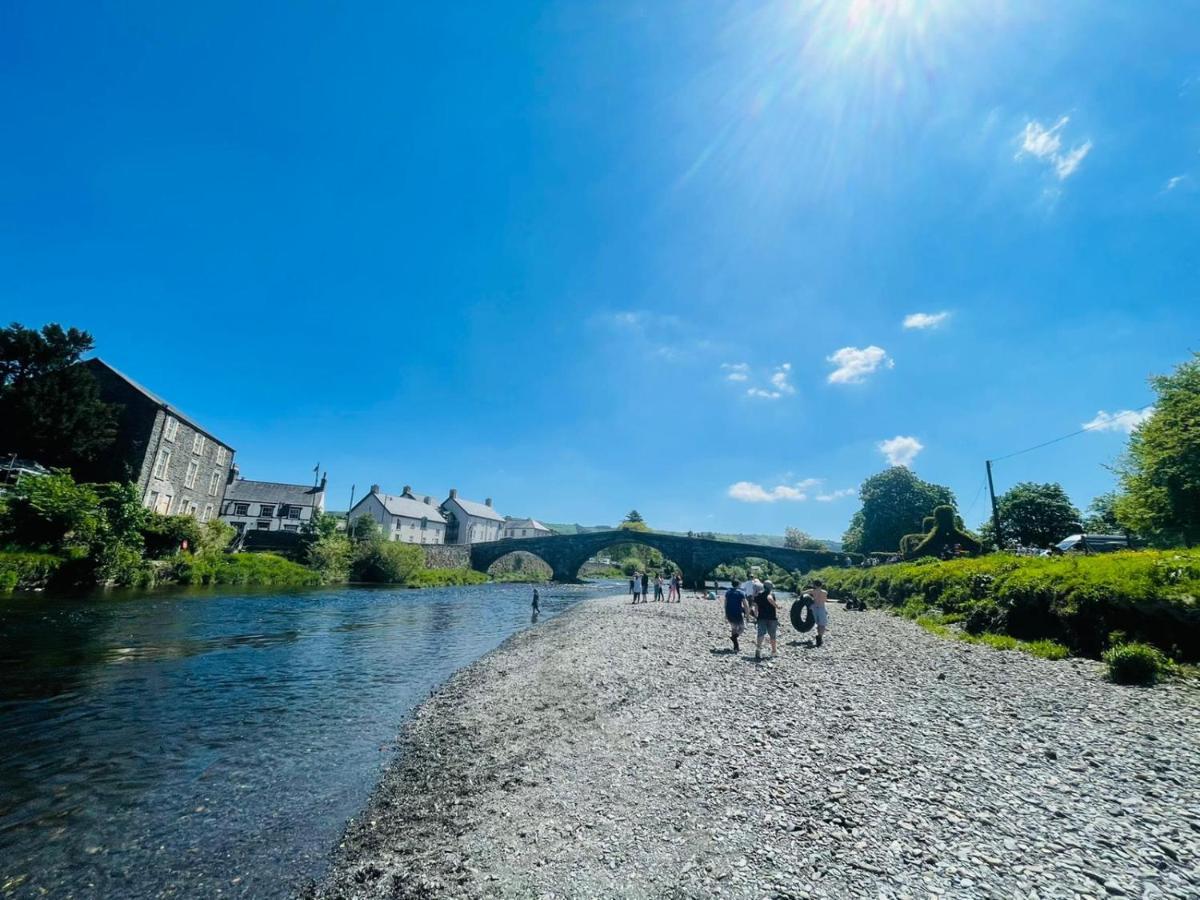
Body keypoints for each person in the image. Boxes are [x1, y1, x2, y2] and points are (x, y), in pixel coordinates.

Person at [753, 579, 781, 661]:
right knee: (772, 635)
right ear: (770, 587)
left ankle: (758, 649)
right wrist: (777, 606)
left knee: (761, 633)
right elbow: (769, 598)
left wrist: (755, 615)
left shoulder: (758, 594)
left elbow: (756, 606)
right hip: (771, 617)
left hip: (761, 617)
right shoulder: (771, 594)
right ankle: (774, 651)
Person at [723, 578, 749, 652]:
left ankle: (735, 646)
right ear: (739, 584)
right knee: (742, 628)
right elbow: (746, 605)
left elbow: (725, 603)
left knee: (734, 628)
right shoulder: (740, 593)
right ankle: (734, 637)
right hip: (737, 613)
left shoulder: (728, 592)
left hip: (729, 612)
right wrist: (747, 614)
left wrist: (725, 613)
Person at [809, 578, 829, 647]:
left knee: (818, 624)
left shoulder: (812, 591)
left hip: (814, 608)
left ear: (815, 585)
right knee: (822, 624)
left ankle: (819, 636)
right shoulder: (825, 592)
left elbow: (802, 593)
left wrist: (810, 599)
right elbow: (825, 600)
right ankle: (819, 637)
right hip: (821, 608)